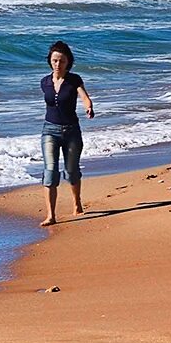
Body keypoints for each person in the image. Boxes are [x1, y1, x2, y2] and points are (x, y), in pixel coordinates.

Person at [39, 40, 94, 226]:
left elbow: (84, 97)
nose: (57, 64)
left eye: (61, 61)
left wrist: (89, 107)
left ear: (68, 62)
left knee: (71, 171)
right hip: (49, 131)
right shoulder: (44, 82)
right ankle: (50, 215)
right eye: (54, 60)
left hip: (71, 131)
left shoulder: (74, 79)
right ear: (50, 61)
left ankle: (77, 203)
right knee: (50, 172)